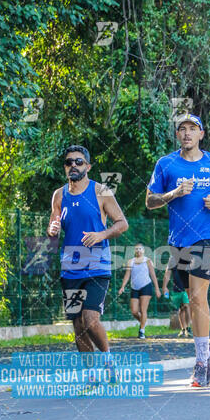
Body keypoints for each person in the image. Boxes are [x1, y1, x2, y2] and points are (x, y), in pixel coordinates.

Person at [146, 113, 210, 387]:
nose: (187, 133)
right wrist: (173, 194)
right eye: (182, 129)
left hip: (207, 237)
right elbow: (150, 201)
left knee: (198, 297)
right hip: (178, 241)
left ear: (201, 134)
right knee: (187, 296)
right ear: (177, 135)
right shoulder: (166, 164)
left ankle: (200, 364)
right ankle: (207, 354)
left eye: (192, 129)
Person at [47, 145, 128, 355]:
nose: (73, 165)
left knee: (90, 319)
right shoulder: (58, 195)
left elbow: (122, 223)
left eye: (78, 161)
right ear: (65, 168)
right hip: (70, 268)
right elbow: (53, 229)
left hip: (96, 265)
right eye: (69, 162)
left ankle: (108, 359)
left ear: (88, 166)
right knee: (78, 326)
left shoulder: (101, 191)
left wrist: (101, 235)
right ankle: (91, 375)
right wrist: (52, 230)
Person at [118, 243, 161, 338]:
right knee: (134, 311)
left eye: (140, 249)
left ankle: (141, 331)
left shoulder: (148, 261)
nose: (138, 250)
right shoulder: (130, 261)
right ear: (134, 251)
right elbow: (127, 275)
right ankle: (143, 322)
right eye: (136, 249)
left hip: (146, 286)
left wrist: (157, 289)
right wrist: (122, 286)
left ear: (143, 250)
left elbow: (153, 275)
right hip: (134, 288)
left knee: (143, 309)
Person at [162, 261, 192, 337]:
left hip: (187, 286)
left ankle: (188, 328)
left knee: (187, 305)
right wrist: (164, 286)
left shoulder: (188, 256)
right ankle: (183, 329)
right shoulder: (172, 259)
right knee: (181, 308)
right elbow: (167, 273)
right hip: (177, 287)